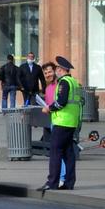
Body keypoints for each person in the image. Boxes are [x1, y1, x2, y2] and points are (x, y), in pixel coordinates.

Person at [42, 56, 83, 191]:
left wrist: (49, 108)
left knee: (55, 152)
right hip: (71, 122)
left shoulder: (64, 82)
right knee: (68, 153)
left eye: (58, 69)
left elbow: (61, 102)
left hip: (62, 121)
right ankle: (69, 182)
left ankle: (52, 182)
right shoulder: (74, 82)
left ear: (63, 69)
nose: (56, 71)